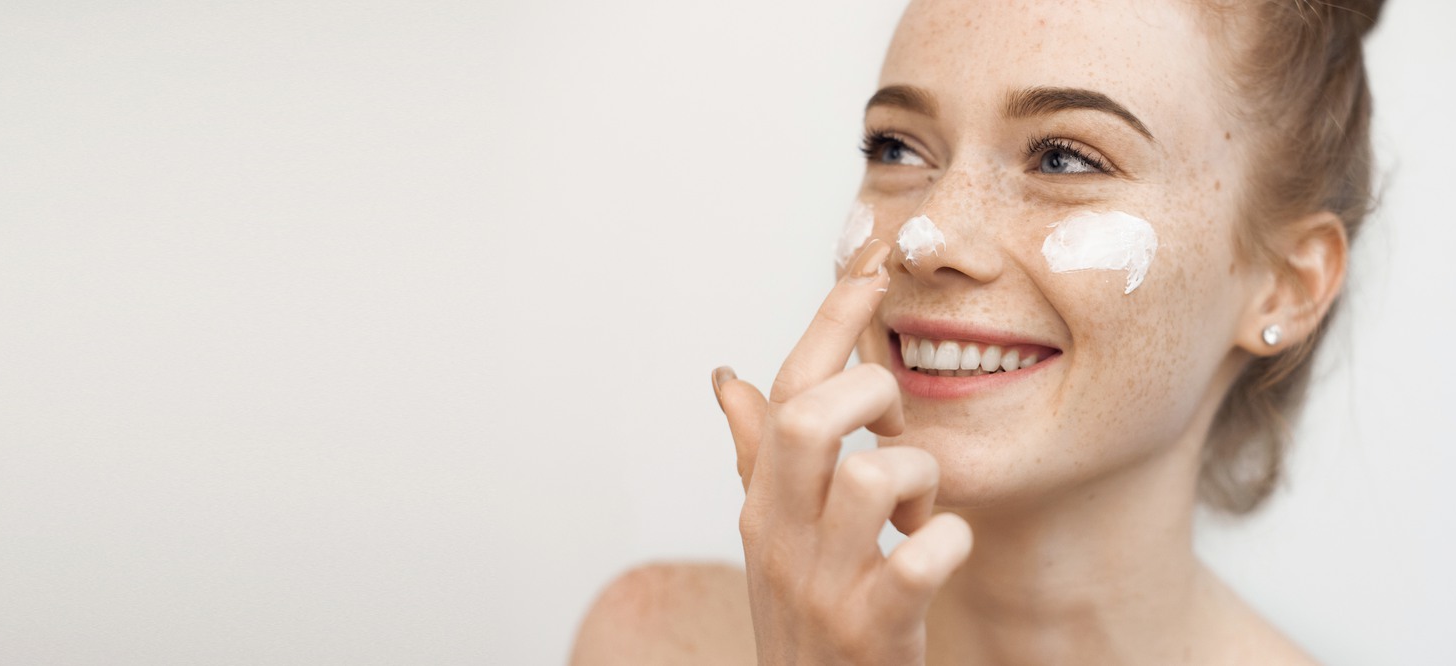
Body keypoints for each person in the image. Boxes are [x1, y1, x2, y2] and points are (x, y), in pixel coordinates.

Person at [571, 0, 1384, 663]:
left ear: (1286, 285)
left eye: (1063, 159)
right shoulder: (655, 641)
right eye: (897, 146)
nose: (928, 236)